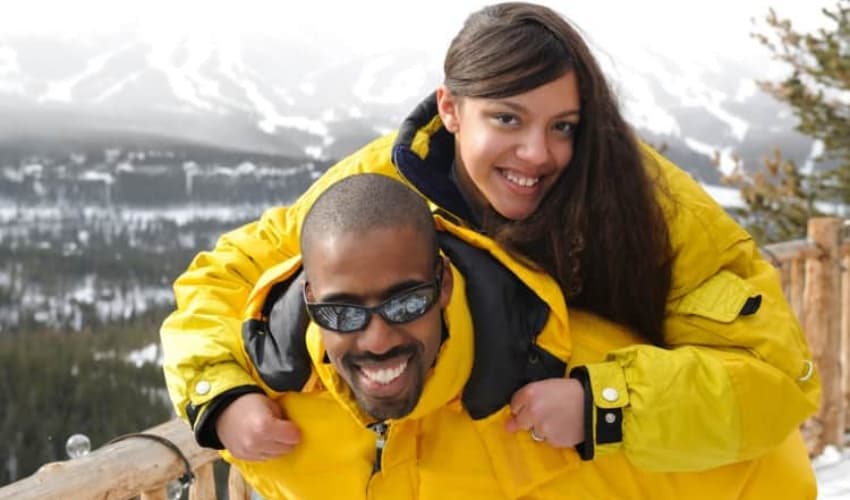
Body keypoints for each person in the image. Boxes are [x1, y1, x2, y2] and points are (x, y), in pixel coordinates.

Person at [161, 1, 820, 471]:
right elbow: (225, 278)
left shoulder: (645, 202)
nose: (538, 153)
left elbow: (776, 381)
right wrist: (218, 396)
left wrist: (605, 405)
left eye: (563, 126)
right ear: (450, 109)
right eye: (508, 119)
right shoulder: (380, 189)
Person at [224, 173, 815, 499]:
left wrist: (599, 411)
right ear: (310, 301)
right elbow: (205, 293)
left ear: (445, 285)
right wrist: (219, 401)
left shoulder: (567, 383)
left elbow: (768, 470)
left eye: (407, 302)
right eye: (344, 312)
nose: (377, 339)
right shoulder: (276, 414)